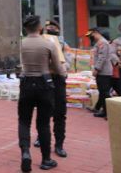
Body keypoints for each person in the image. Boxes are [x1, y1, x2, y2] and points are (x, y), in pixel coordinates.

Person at [18, 15, 66, 172]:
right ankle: (46, 159)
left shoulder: (20, 44)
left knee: (24, 121)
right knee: (43, 123)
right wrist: (64, 74)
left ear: (25, 28)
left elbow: (16, 65)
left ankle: (25, 152)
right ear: (40, 28)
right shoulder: (49, 44)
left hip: (26, 84)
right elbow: (59, 69)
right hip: (44, 85)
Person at [34, 20, 68, 158]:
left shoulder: (64, 45)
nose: (50, 29)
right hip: (44, 80)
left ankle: (59, 144)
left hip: (58, 80)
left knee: (60, 113)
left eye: (53, 27)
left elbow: (69, 63)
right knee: (44, 111)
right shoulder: (39, 43)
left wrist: (60, 65)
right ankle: (40, 137)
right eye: (48, 27)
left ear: (58, 30)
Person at [86, 28, 112, 118]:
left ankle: (108, 112)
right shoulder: (99, 43)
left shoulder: (102, 43)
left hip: (104, 72)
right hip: (102, 72)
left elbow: (102, 57)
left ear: (96, 33)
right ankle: (104, 111)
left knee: (105, 93)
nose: (90, 38)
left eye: (91, 35)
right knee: (102, 92)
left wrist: (96, 69)